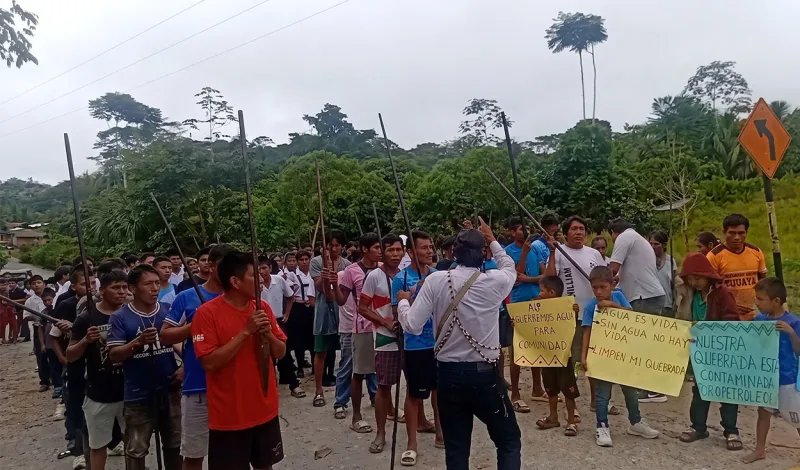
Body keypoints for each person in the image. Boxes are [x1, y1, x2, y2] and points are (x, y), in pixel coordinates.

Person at [398, 219, 520, 469]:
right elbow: (509, 265)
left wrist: (402, 302)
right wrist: (493, 239)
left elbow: (412, 325)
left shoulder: (436, 280)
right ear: (483, 254)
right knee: (508, 440)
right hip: (485, 375)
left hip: (448, 375)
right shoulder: (495, 280)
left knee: (456, 449)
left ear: (454, 252)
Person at [192, 251, 287, 470]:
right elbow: (209, 363)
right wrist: (246, 332)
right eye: (254, 275)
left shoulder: (263, 309)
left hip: (265, 409)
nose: (262, 279)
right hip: (230, 417)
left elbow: (280, 352)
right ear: (235, 281)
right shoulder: (207, 314)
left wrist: (268, 335)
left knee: (266, 465)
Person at [161, 244, 230, 470]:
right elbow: (165, 336)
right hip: (198, 387)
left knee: (230, 456)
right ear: (210, 266)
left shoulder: (240, 297)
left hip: (233, 387)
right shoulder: (186, 297)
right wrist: (193, 327)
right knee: (193, 455)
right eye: (225, 266)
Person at [107, 264, 182, 470]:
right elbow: (114, 354)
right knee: (136, 448)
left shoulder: (168, 311)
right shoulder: (120, 317)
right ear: (133, 288)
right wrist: (137, 343)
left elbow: (181, 344)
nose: (155, 288)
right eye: (148, 284)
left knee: (175, 444)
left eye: (157, 283)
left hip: (170, 388)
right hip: (138, 393)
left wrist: (185, 367)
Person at [582, 265, 660, 447]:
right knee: (603, 395)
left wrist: (611, 305)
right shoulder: (590, 307)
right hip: (601, 356)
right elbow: (586, 332)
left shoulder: (618, 297)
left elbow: (632, 316)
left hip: (623, 355)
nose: (599, 292)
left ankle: (636, 422)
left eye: (603, 287)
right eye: (595, 288)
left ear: (612, 285)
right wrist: (584, 356)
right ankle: (602, 426)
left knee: (630, 391)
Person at [676, 252, 741, 451]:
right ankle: (698, 427)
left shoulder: (722, 293)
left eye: (698, 277)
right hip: (700, 350)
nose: (695, 282)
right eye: (690, 278)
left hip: (722, 349)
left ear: (708, 275)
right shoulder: (688, 294)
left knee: (726, 391)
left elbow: (732, 321)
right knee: (700, 389)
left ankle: (731, 430)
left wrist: (705, 327)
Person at [67, 270, 128, 470]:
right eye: (115, 288)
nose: (121, 292)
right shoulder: (87, 318)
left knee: (134, 442)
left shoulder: (131, 313)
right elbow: (70, 355)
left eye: (124, 287)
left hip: (130, 390)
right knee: (98, 444)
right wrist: (85, 340)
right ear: (102, 291)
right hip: (99, 393)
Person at [392, 230, 443, 465]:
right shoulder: (400, 279)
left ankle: (442, 433)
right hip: (415, 344)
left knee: (439, 391)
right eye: (424, 247)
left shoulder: (438, 275)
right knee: (414, 393)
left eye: (431, 246)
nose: (429, 251)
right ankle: (411, 443)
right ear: (411, 252)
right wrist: (412, 296)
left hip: (439, 342)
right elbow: (397, 313)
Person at [543, 216, 606, 406]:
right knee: (572, 362)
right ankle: (571, 403)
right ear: (566, 233)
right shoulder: (560, 252)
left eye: (582, 229)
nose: (578, 232)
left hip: (594, 314)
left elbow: (602, 280)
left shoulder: (594, 254)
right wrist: (553, 252)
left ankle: (598, 400)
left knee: (595, 359)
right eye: (574, 229)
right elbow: (550, 277)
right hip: (570, 315)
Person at [608, 219, 667, 403]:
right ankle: (649, 387)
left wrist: (599, 283)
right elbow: (628, 271)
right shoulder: (637, 239)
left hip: (643, 297)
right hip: (650, 294)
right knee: (646, 343)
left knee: (642, 345)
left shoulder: (624, 238)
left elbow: (613, 268)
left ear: (613, 232)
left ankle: (652, 389)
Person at [741, 278, 800, 464]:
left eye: (760, 299)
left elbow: (799, 351)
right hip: (766, 377)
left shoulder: (794, 322)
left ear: (775, 301)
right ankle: (759, 450)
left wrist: (791, 333)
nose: (756, 303)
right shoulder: (759, 320)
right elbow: (747, 343)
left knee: (797, 418)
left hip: (787, 378)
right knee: (763, 412)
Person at [358, 234, 404, 454]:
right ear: (382, 252)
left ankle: (421, 421)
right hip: (386, 339)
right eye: (390, 250)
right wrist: (383, 321)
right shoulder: (374, 276)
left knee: (416, 385)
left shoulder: (407, 275)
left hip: (410, 338)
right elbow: (363, 307)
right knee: (384, 386)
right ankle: (381, 432)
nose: (395, 254)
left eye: (398, 250)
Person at [333, 233, 381, 432]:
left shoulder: (383, 269)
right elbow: (341, 300)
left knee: (382, 372)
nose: (380, 251)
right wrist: (332, 285)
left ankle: (387, 408)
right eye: (377, 248)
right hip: (362, 328)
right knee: (359, 372)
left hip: (382, 327)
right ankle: (356, 416)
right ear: (365, 249)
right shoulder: (351, 271)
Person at [51, 266, 95, 470]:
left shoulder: (101, 306)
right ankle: (78, 449)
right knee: (75, 408)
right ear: (74, 285)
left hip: (95, 368)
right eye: (85, 284)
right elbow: (53, 334)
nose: (90, 287)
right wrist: (63, 359)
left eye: (93, 283)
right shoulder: (65, 304)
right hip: (75, 366)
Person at [504, 217, 547, 410]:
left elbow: (545, 276)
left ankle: (538, 388)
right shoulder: (507, 253)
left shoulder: (536, 249)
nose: (526, 231)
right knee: (517, 350)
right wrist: (523, 255)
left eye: (527, 228)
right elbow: (514, 277)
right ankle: (515, 393)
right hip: (518, 304)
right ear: (513, 233)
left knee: (537, 346)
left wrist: (529, 279)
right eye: (522, 229)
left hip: (537, 301)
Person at [534, 275, 581, 437]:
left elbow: (570, 326)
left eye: (542, 291)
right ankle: (553, 417)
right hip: (546, 356)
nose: (539, 294)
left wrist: (574, 313)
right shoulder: (537, 308)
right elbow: (529, 326)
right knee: (551, 389)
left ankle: (571, 421)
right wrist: (517, 324)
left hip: (562, 357)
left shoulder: (565, 309)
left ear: (552, 293)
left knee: (568, 390)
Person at [310, 231, 351, 407]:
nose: (333, 248)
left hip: (342, 313)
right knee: (321, 351)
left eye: (336, 245)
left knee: (346, 354)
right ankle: (318, 390)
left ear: (342, 247)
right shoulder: (316, 262)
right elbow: (319, 287)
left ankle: (344, 392)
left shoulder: (347, 265)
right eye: (330, 245)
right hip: (323, 314)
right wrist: (324, 275)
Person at [706, 214, 768, 321]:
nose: (736, 237)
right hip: (727, 316)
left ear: (746, 233)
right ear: (724, 232)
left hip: (754, 314)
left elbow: (763, 281)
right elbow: (708, 289)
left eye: (741, 233)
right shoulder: (713, 256)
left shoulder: (756, 252)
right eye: (732, 233)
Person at [257, 255, 303, 398]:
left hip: (278, 321)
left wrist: (287, 313)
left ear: (270, 268)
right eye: (258, 269)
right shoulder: (253, 284)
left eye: (264, 268)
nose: (262, 271)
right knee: (266, 356)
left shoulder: (279, 280)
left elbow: (290, 296)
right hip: (262, 323)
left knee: (285, 353)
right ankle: (270, 388)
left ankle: (293, 385)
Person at [286, 250, 315, 378]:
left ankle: (315, 365)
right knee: (299, 339)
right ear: (297, 262)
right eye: (301, 259)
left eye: (306, 259)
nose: (304, 262)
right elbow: (289, 294)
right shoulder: (292, 275)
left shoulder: (313, 274)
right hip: (298, 307)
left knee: (313, 337)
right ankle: (300, 367)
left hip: (312, 307)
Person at [25, 275, 51, 392]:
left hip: (51, 327)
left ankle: (56, 378)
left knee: (54, 353)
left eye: (39, 282)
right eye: (34, 283)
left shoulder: (52, 296)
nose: (36, 285)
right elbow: (26, 317)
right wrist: (35, 316)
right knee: (41, 354)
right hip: (38, 328)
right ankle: (44, 381)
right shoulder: (29, 301)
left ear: (44, 284)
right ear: (31, 286)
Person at [39, 288, 64, 399]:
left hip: (60, 344)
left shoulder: (59, 310)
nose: (48, 302)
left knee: (63, 365)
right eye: (45, 301)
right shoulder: (44, 313)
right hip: (49, 345)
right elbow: (40, 329)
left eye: (50, 300)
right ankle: (57, 387)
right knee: (53, 366)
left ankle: (64, 386)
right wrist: (42, 344)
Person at [650, 231, 677, 317]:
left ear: (664, 245)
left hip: (667, 305)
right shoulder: (646, 260)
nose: (652, 247)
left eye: (656, 244)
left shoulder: (671, 261)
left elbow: (675, 282)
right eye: (650, 244)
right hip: (650, 304)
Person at [0, 277, 19, 344]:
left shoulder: (10, 291)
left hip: (10, 309)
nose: (3, 286)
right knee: (2, 325)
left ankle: (14, 338)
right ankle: (3, 339)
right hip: (2, 311)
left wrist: (8, 303)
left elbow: (14, 301)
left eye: (5, 285)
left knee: (14, 324)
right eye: (1, 285)